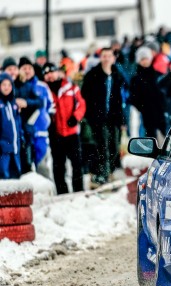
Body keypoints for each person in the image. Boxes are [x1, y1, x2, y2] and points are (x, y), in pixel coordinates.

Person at [81, 47, 127, 187]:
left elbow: (119, 99)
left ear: (113, 58)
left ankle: (110, 171)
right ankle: (102, 174)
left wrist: (121, 119)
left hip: (113, 116)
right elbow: (85, 95)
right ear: (101, 58)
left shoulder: (116, 74)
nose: (106, 59)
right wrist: (89, 115)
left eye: (109, 56)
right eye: (104, 56)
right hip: (97, 117)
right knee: (101, 146)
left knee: (114, 145)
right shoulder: (92, 74)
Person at [43, 63, 86, 194]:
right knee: (58, 165)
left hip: (72, 133)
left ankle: (79, 191)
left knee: (77, 164)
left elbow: (81, 104)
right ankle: (62, 192)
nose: (50, 75)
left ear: (58, 73)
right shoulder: (44, 91)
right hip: (56, 134)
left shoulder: (70, 87)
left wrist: (76, 117)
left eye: (52, 72)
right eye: (46, 73)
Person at [4, 57, 41, 175]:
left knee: (27, 165)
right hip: (8, 135)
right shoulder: (4, 87)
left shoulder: (25, 84)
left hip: (25, 132)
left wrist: (26, 102)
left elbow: (40, 102)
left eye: (15, 68)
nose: (13, 71)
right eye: (9, 69)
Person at [19, 57, 54, 179]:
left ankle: (47, 191)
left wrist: (45, 120)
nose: (27, 71)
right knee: (27, 167)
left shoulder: (42, 86)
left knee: (43, 164)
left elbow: (50, 105)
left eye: (29, 68)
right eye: (24, 69)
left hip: (41, 132)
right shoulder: (18, 87)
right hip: (25, 133)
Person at [129, 46, 166, 140]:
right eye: (142, 59)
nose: (145, 61)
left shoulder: (158, 75)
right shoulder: (136, 79)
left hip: (161, 112)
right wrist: (142, 107)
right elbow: (133, 97)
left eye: (146, 58)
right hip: (146, 115)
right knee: (150, 139)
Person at [0, 73, 23, 179]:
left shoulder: (13, 103)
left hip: (15, 148)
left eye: (9, 85)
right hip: (3, 150)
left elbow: (18, 123)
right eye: (4, 84)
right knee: (4, 175)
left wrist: (21, 137)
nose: (6, 87)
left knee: (16, 175)